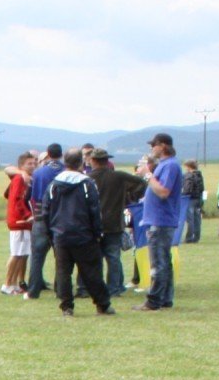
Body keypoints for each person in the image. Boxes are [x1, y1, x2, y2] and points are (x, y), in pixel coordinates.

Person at [45, 150, 109, 317]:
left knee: (63, 272)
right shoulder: (87, 184)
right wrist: (97, 232)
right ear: (81, 163)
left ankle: (66, 306)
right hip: (84, 234)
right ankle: (102, 305)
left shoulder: (53, 185)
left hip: (60, 234)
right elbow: (95, 210)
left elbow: (46, 211)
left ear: (65, 163)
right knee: (91, 271)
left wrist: (50, 233)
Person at [88, 149, 144, 297]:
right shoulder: (119, 177)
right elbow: (142, 184)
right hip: (114, 223)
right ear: (107, 161)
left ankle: (97, 288)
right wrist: (129, 198)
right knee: (113, 257)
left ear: (93, 161)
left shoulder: (87, 179)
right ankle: (115, 288)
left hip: (93, 225)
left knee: (95, 259)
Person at [138, 133, 185, 310]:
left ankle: (154, 301)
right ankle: (165, 298)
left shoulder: (170, 166)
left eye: (154, 145)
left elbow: (163, 191)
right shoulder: (166, 165)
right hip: (159, 219)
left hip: (161, 220)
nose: (152, 149)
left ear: (163, 146)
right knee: (164, 260)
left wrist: (148, 175)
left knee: (158, 263)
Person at [24, 144, 64, 295]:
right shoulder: (65, 171)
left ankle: (33, 289)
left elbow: (31, 197)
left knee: (37, 256)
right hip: (60, 218)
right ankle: (60, 289)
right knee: (61, 257)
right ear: (61, 155)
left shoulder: (39, 173)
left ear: (48, 154)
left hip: (41, 216)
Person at [1, 154, 34, 294]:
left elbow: (7, 194)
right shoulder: (19, 178)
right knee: (16, 254)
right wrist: (28, 215)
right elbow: (17, 199)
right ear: (21, 166)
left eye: (34, 163)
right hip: (19, 222)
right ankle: (7, 284)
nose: (32, 166)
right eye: (29, 164)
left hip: (23, 223)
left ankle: (14, 284)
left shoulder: (25, 179)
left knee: (22, 254)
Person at [181, 160, 205, 243]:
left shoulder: (189, 176)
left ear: (188, 166)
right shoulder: (199, 174)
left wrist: (183, 193)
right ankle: (196, 237)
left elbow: (187, 188)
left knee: (190, 219)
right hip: (198, 198)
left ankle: (189, 237)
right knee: (197, 219)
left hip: (190, 199)